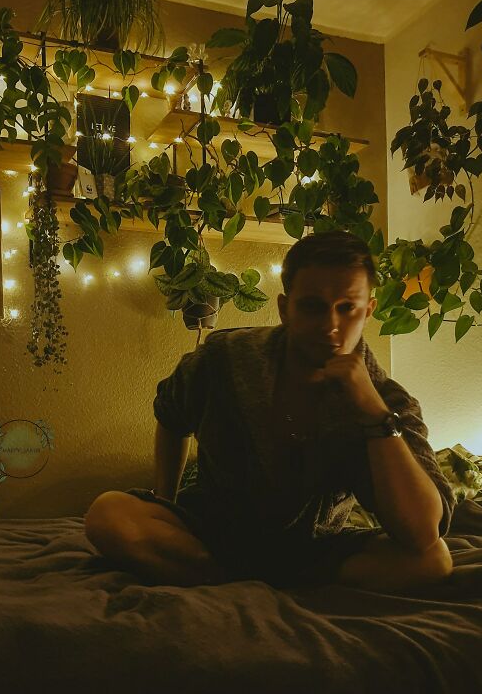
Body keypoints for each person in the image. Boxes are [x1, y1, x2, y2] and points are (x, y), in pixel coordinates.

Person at [85, 230, 455, 593]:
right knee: (108, 514)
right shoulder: (225, 358)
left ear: (368, 310)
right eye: (312, 307)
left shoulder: (388, 401)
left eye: (348, 308)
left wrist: (374, 414)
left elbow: (424, 533)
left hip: (313, 549)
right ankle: (230, 578)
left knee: (434, 560)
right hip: (211, 533)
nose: (331, 326)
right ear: (284, 308)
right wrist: (165, 500)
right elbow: (170, 413)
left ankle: (256, 581)